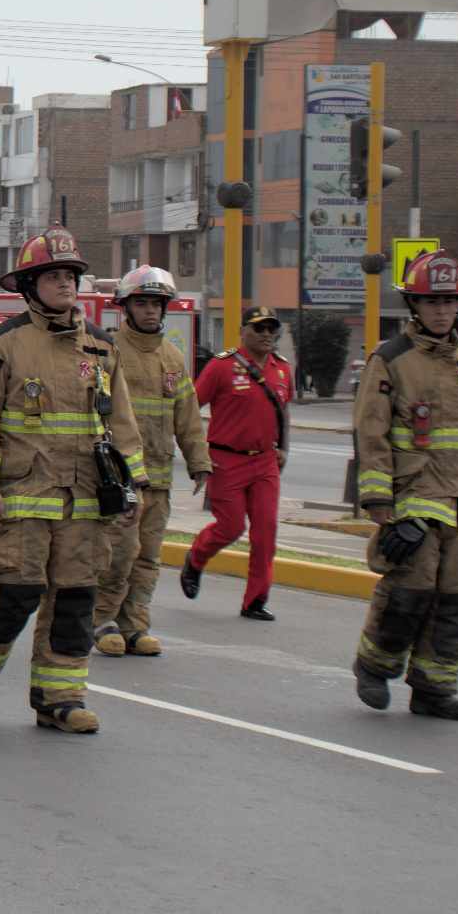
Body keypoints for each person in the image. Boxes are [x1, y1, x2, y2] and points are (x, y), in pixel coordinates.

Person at [0, 226, 144, 734]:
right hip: (24, 493)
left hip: (86, 499)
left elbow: (122, 424)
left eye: (70, 275)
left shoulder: (102, 348)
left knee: (76, 599)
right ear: (29, 284)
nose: (65, 283)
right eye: (54, 275)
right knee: (17, 589)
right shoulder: (4, 343)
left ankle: (59, 698)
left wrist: (135, 487)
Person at [348, 250, 458, 721]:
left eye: (451, 301)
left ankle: (435, 689)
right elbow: (370, 431)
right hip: (414, 496)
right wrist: (377, 498)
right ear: (413, 304)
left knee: (457, 597)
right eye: (431, 301)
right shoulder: (391, 360)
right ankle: (373, 667)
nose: (442, 310)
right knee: (410, 588)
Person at [93, 266, 210, 656]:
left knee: (148, 557)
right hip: (121, 481)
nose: (149, 311)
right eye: (141, 303)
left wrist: (199, 460)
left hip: (158, 481)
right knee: (119, 553)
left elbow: (187, 415)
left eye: (156, 304)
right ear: (125, 309)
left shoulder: (173, 358)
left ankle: (135, 626)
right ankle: (102, 619)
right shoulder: (110, 353)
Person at [179, 305, 293, 621]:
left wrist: (284, 447)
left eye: (272, 329)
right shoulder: (221, 366)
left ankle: (255, 601)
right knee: (230, 527)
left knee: (266, 530)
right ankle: (196, 557)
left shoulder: (282, 369)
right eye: (260, 328)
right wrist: (196, 455)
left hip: (266, 461)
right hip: (226, 460)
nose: (268, 334)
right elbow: (190, 408)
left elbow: (284, 410)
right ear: (243, 331)